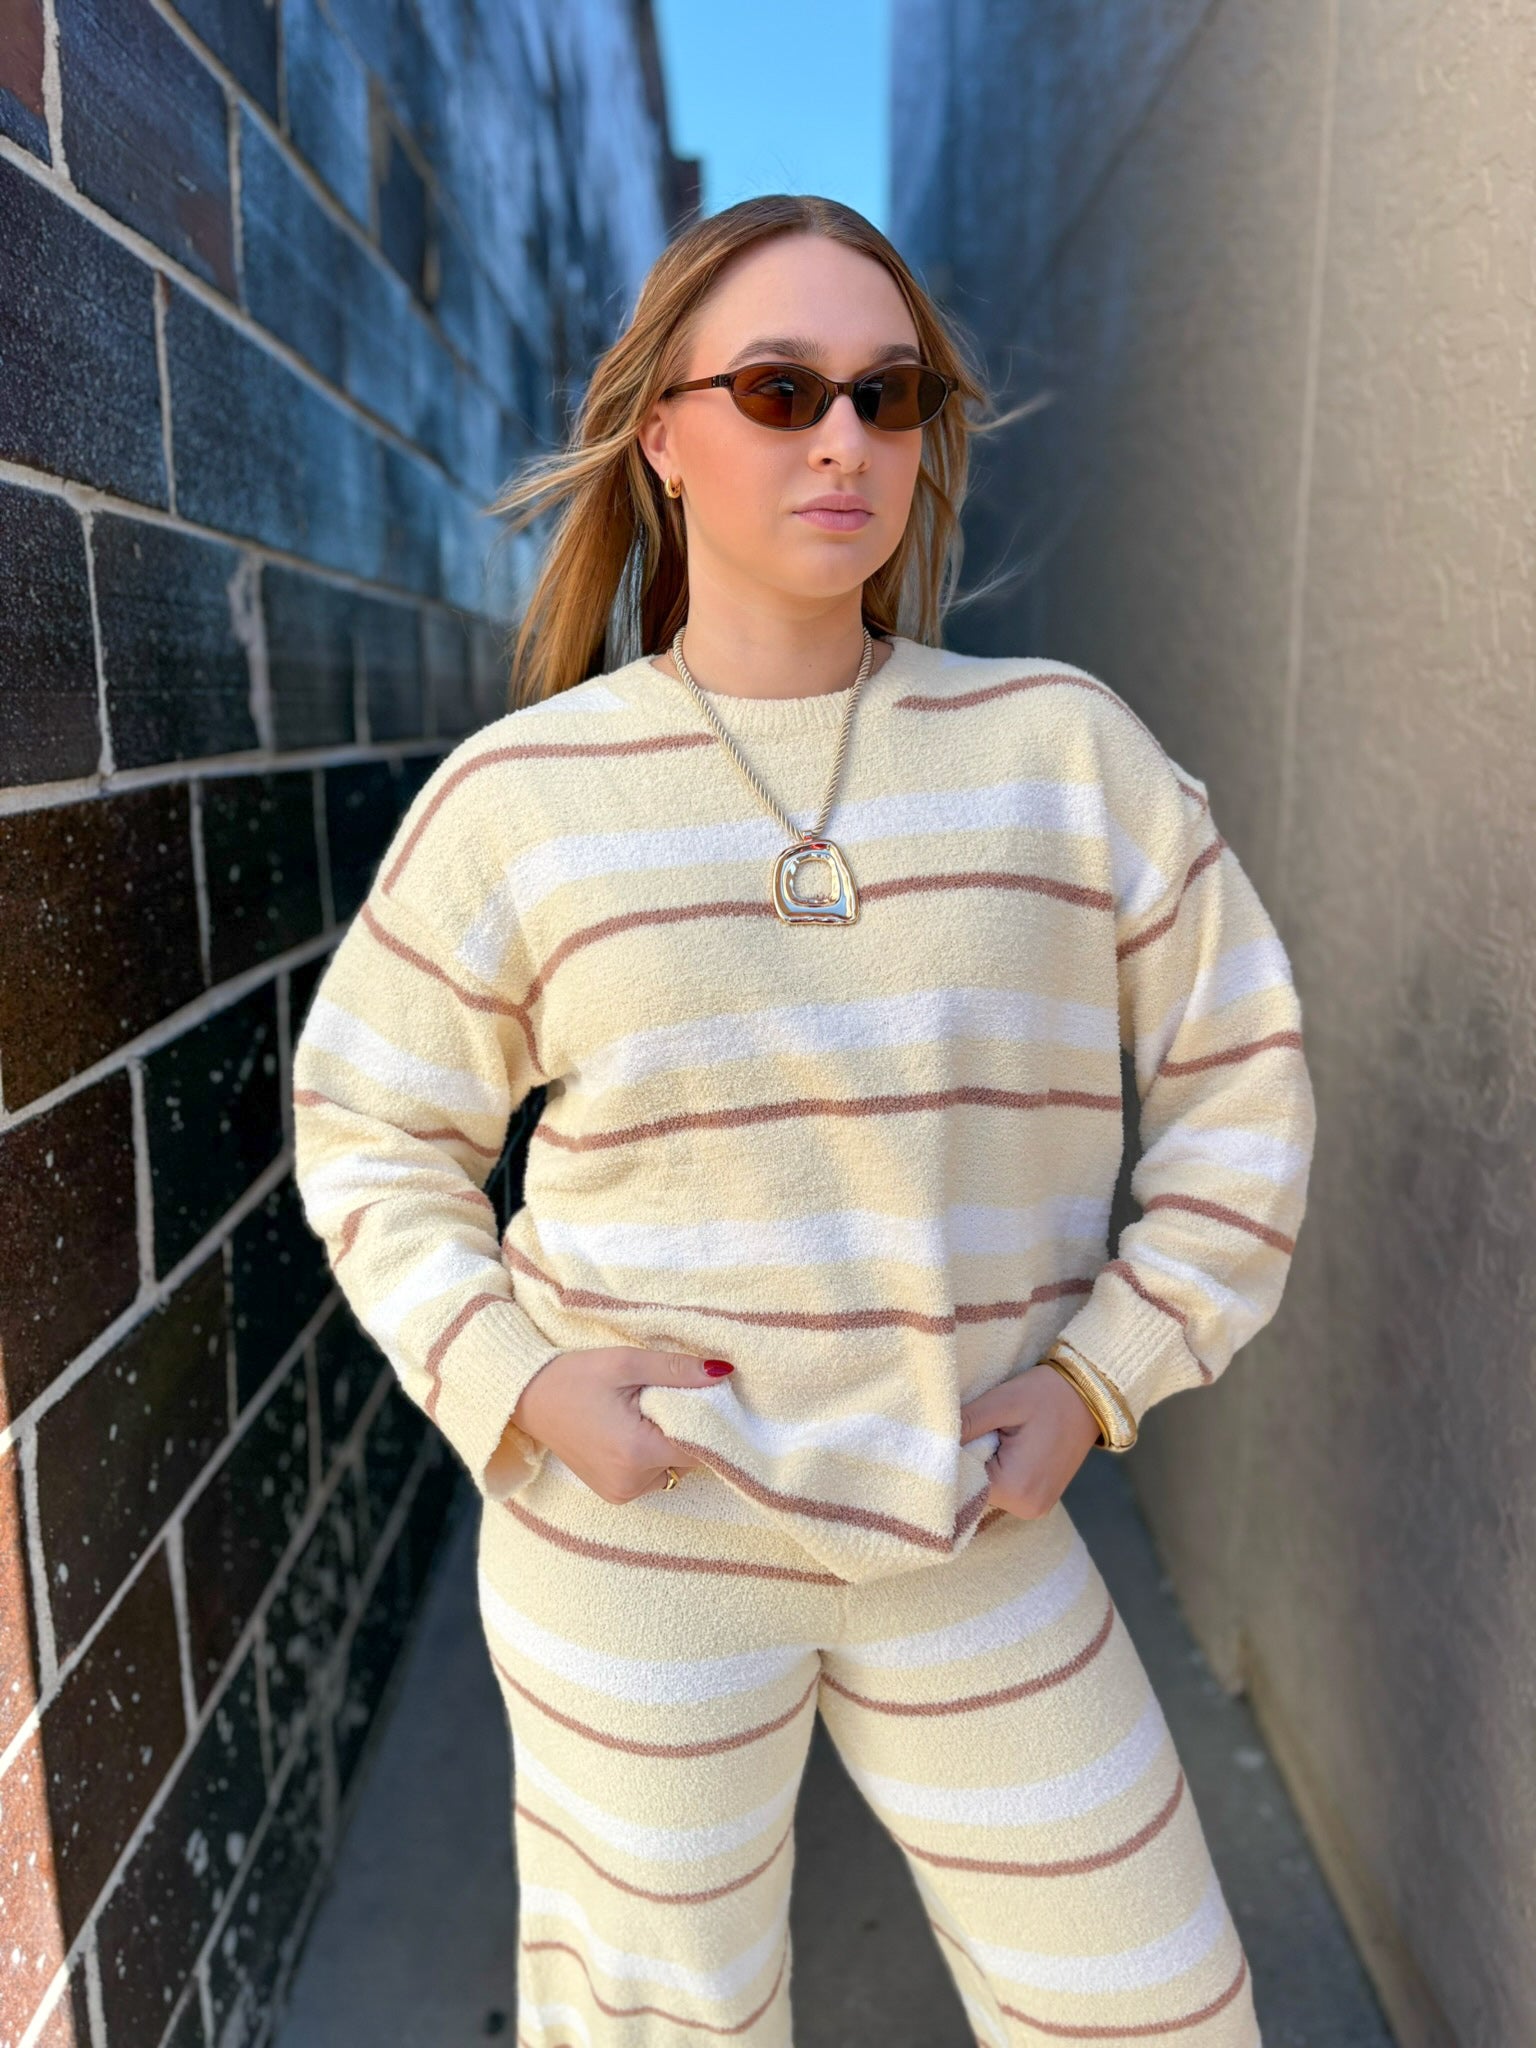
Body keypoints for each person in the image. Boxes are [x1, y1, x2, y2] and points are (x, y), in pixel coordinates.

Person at [291, 193, 1314, 2046]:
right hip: (643, 1548)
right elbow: (369, 1122)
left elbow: (1246, 1071)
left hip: (967, 1522)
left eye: (889, 393)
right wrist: (516, 1383)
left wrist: (1107, 1371)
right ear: (664, 437)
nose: (845, 437)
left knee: (1149, 2003)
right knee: (659, 2023)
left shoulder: (1061, 751)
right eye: (779, 389)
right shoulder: (526, 796)